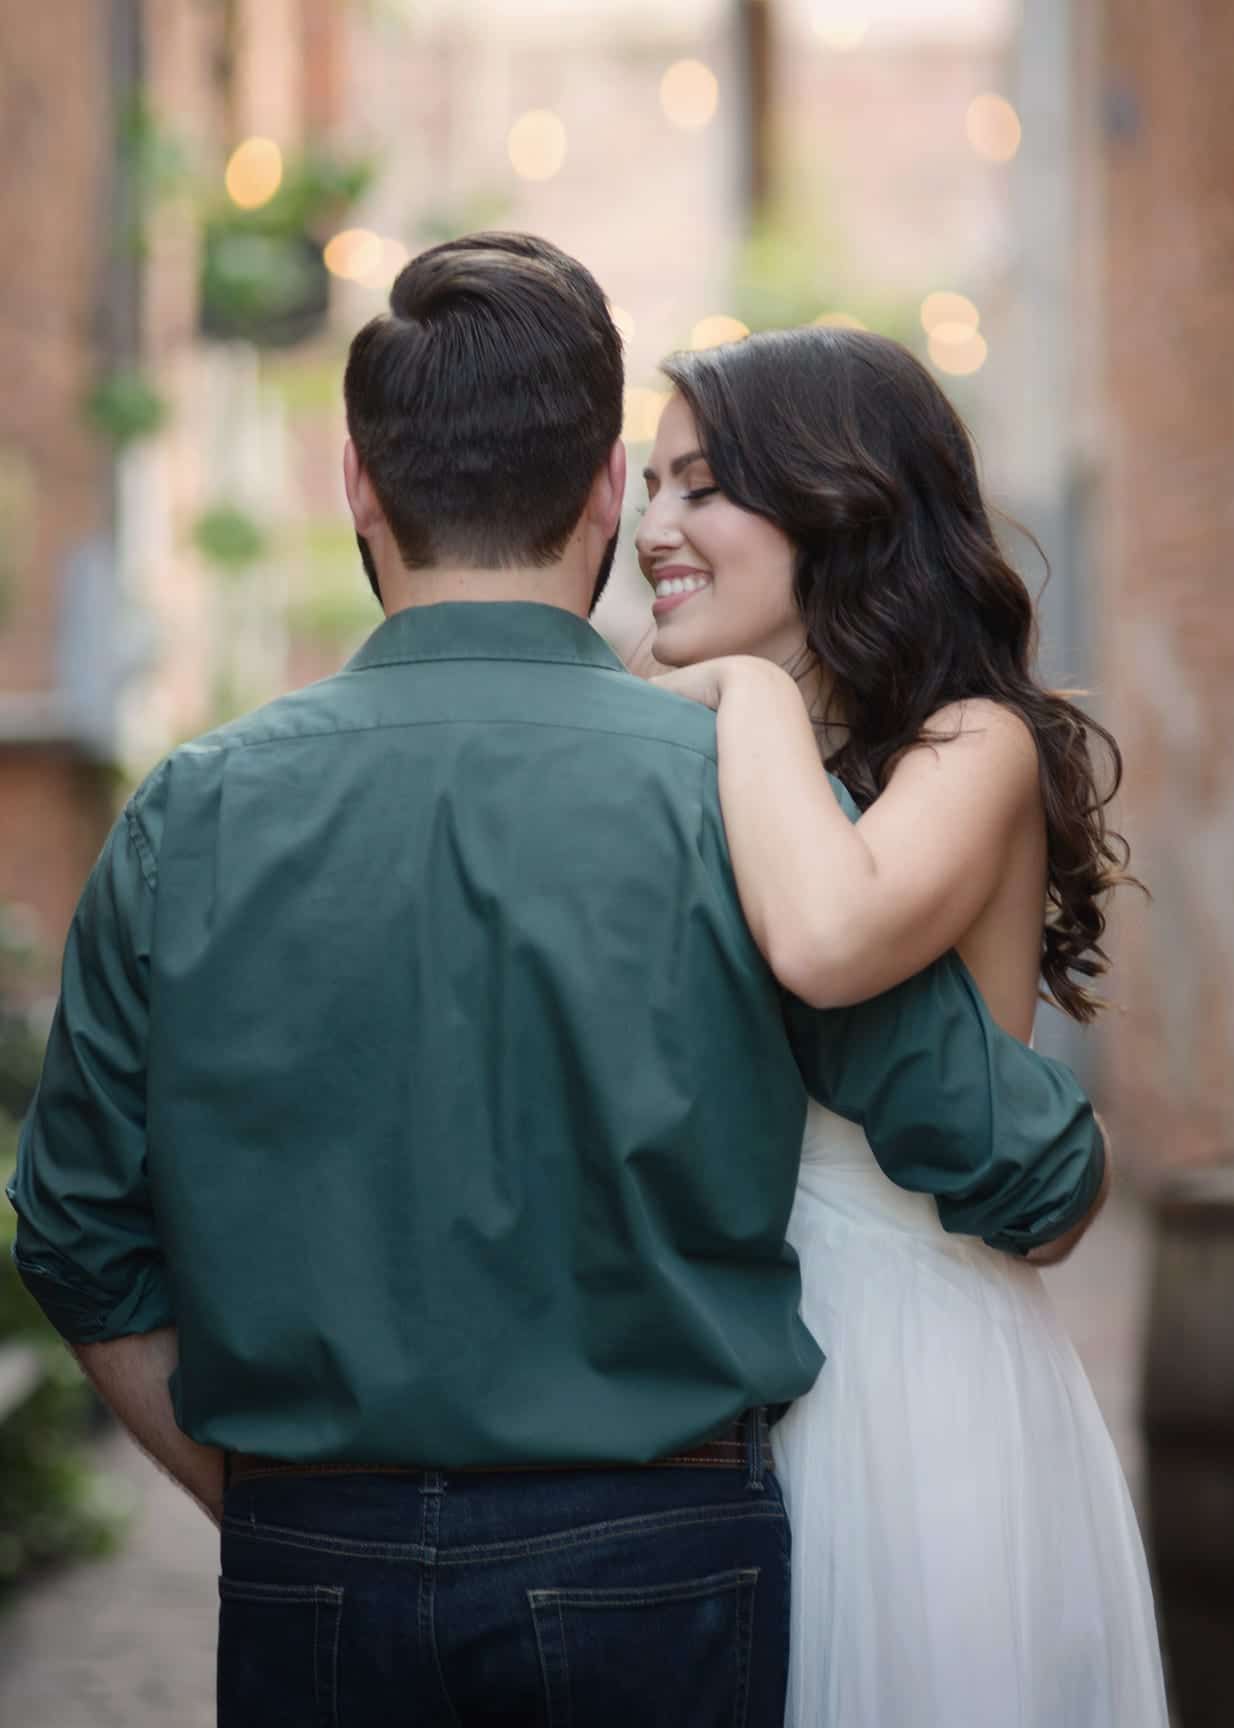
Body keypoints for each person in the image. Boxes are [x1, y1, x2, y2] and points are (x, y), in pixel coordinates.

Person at [9, 237, 1105, 1728]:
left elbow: (75, 1231)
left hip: (307, 1550)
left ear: (357, 484)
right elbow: (1013, 1166)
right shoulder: (738, 796)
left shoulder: (186, 812)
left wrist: (270, 1508)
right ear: (602, 485)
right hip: (658, 1554)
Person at [633, 325, 1169, 1727]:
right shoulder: (675, 754)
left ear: (832, 497)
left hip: (902, 1358)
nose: (651, 527)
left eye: (697, 484)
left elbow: (823, 936)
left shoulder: (969, 744)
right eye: (645, 488)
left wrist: (744, 691)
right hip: (713, 1355)